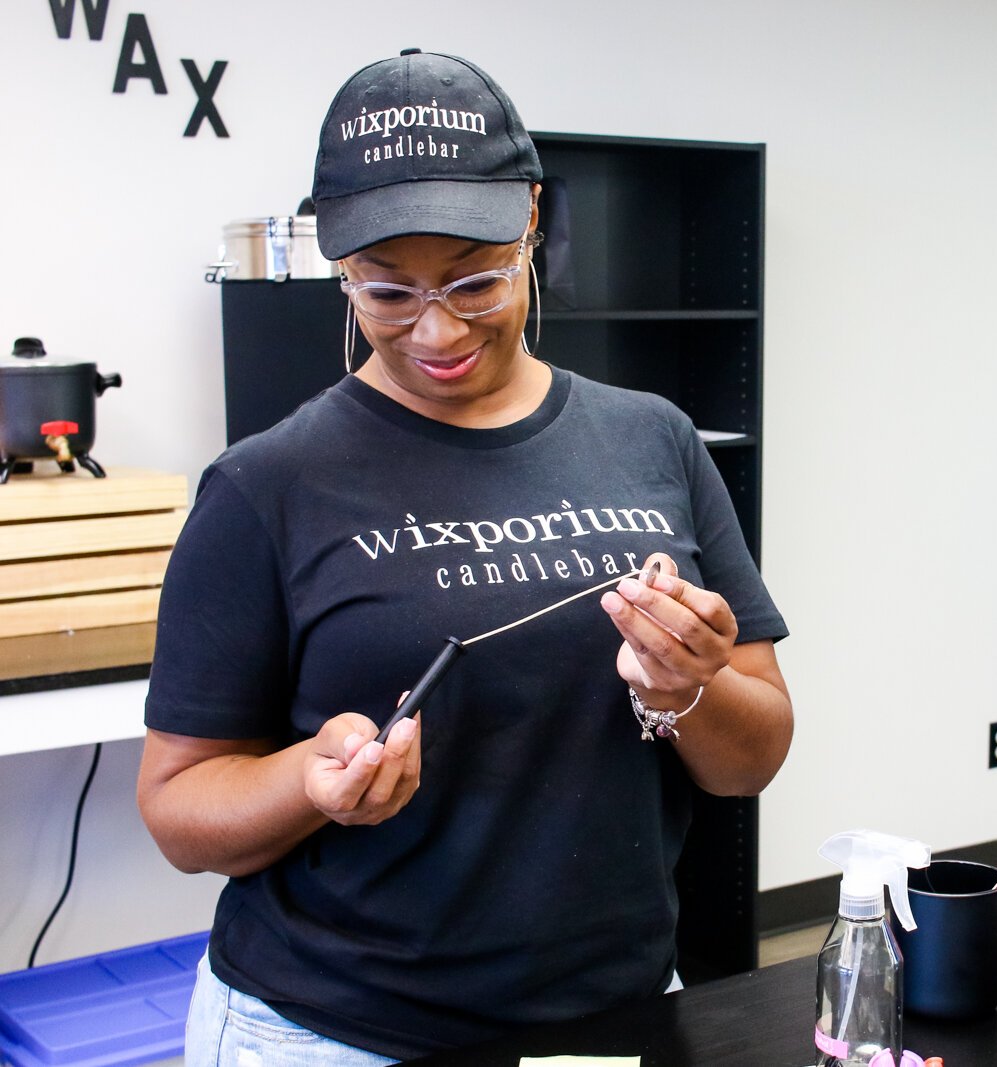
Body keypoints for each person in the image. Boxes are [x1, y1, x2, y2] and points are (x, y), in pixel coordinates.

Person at [137, 50, 792, 1064]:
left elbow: (753, 758)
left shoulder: (653, 437)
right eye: (386, 293)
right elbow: (179, 810)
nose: (435, 330)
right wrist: (307, 783)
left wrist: (691, 684)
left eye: (475, 282)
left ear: (531, 219)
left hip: (611, 1015)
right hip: (333, 1030)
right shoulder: (264, 485)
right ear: (338, 265)